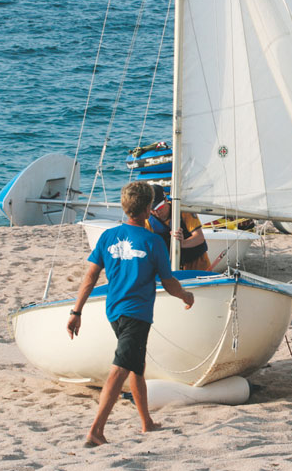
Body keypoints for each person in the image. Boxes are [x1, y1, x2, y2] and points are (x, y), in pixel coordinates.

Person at [66, 181, 195, 447]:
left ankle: (146, 423)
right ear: (148, 208)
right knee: (122, 367)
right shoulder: (152, 241)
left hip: (114, 311)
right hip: (136, 313)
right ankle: (96, 430)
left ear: (125, 208)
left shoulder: (107, 237)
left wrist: (76, 311)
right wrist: (185, 295)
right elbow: (168, 281)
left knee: (136, 366)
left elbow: (90, 276)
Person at [144, 185, 212, 271]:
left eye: (159, 207)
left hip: (197, 263)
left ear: (166, 200)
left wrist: (182, 243)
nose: (157, 212)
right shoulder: (148, 221)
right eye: (152, 209)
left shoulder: (183, 210)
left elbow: (199, 237)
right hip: (171, 267)